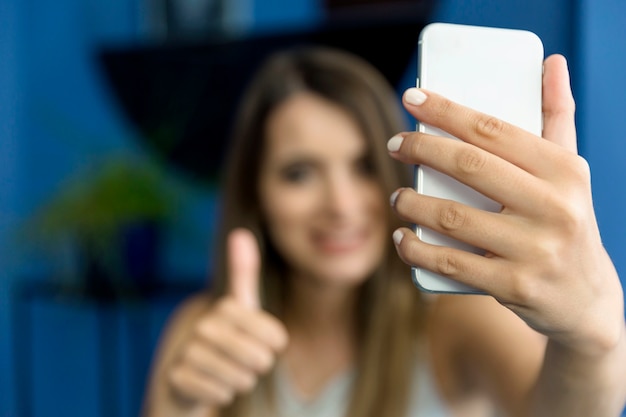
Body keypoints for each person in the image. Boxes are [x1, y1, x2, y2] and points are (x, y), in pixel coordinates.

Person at [141, 45, 626, 417]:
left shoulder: (454, 322)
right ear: (256, 194)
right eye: (299, 173)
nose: (342, 204)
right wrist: (181, 404)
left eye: (364, 166)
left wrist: (592, 337)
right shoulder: (205, 331)